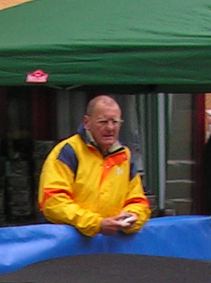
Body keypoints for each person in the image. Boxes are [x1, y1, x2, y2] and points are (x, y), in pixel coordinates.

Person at [38, 96, 151, 236]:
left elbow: (138, 200)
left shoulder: (124, 156)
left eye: (115, 122)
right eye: (103, 122)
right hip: (70, 248)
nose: (110, 128)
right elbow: (53, 203)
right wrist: (96, 224)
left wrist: (132, 217)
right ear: (87, 122)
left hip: (111, 247)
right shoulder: (68, 152)